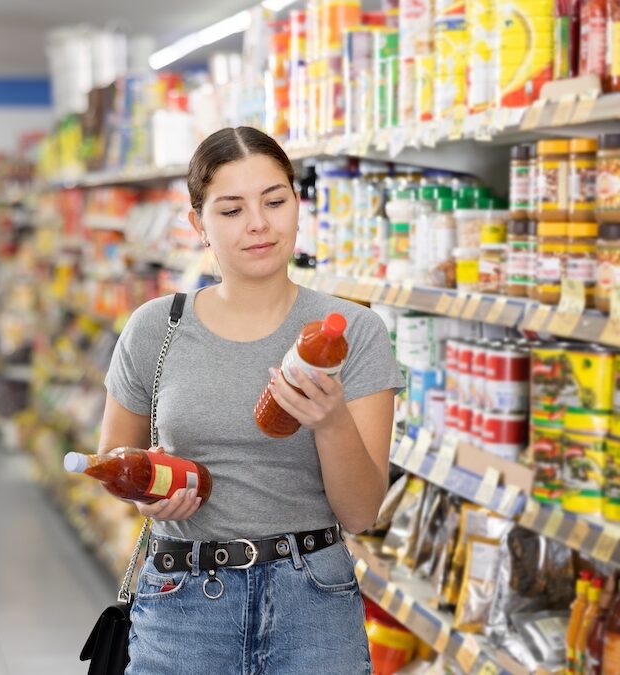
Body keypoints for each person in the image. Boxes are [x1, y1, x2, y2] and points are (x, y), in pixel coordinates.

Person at [99, 127, 404, 674]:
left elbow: (360, 514)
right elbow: (115, 462)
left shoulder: (354, 331)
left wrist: (331, 421)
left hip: (313, 604)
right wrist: (149, 500)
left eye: (274, 201)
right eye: (232, 209)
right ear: (199, 224)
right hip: (183, 602)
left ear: (298, 205)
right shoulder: (156, 328)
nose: (258, 223)